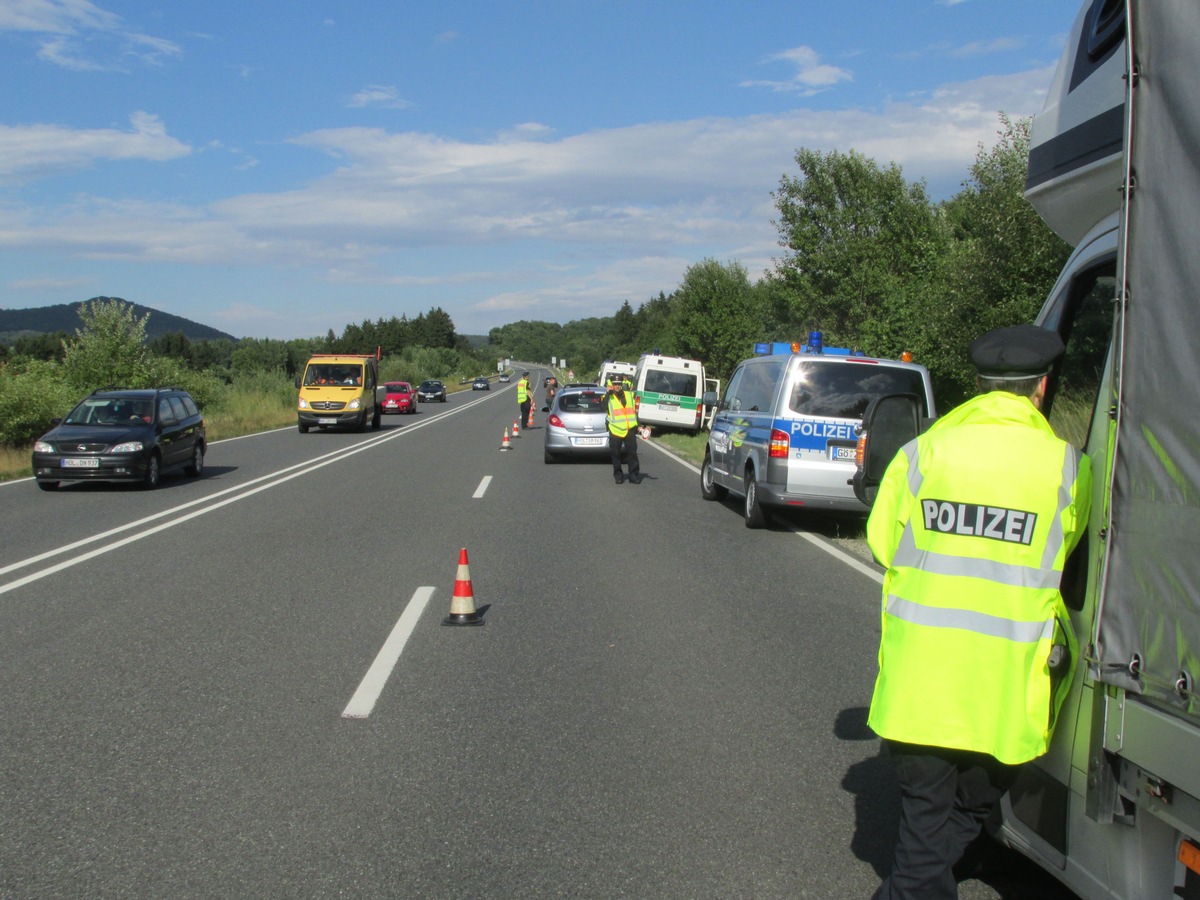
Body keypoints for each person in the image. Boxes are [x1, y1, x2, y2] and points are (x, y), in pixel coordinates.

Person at [866, 324, 1091, 900]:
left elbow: (881, 544)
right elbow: (1067, 557)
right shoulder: (1069, 468)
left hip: (921, 690)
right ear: (1041, 389)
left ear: (980, 385)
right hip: (1002, 697)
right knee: (960, 821)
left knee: (926, 839)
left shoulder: (925, 452)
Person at [606, 374, 641, 484]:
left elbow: (633, 412)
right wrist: (607, 393)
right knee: (616, 454)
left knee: (632, 453)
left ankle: (633, 475)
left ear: (622, 384)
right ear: (612, 385)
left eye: (619, 384)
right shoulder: (608, 397)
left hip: (629, 428)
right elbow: (602, 406)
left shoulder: (629, 395)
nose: (617, 386)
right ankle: (618, 475)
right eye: (615, 384)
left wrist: (639, 426)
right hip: (615, 430)